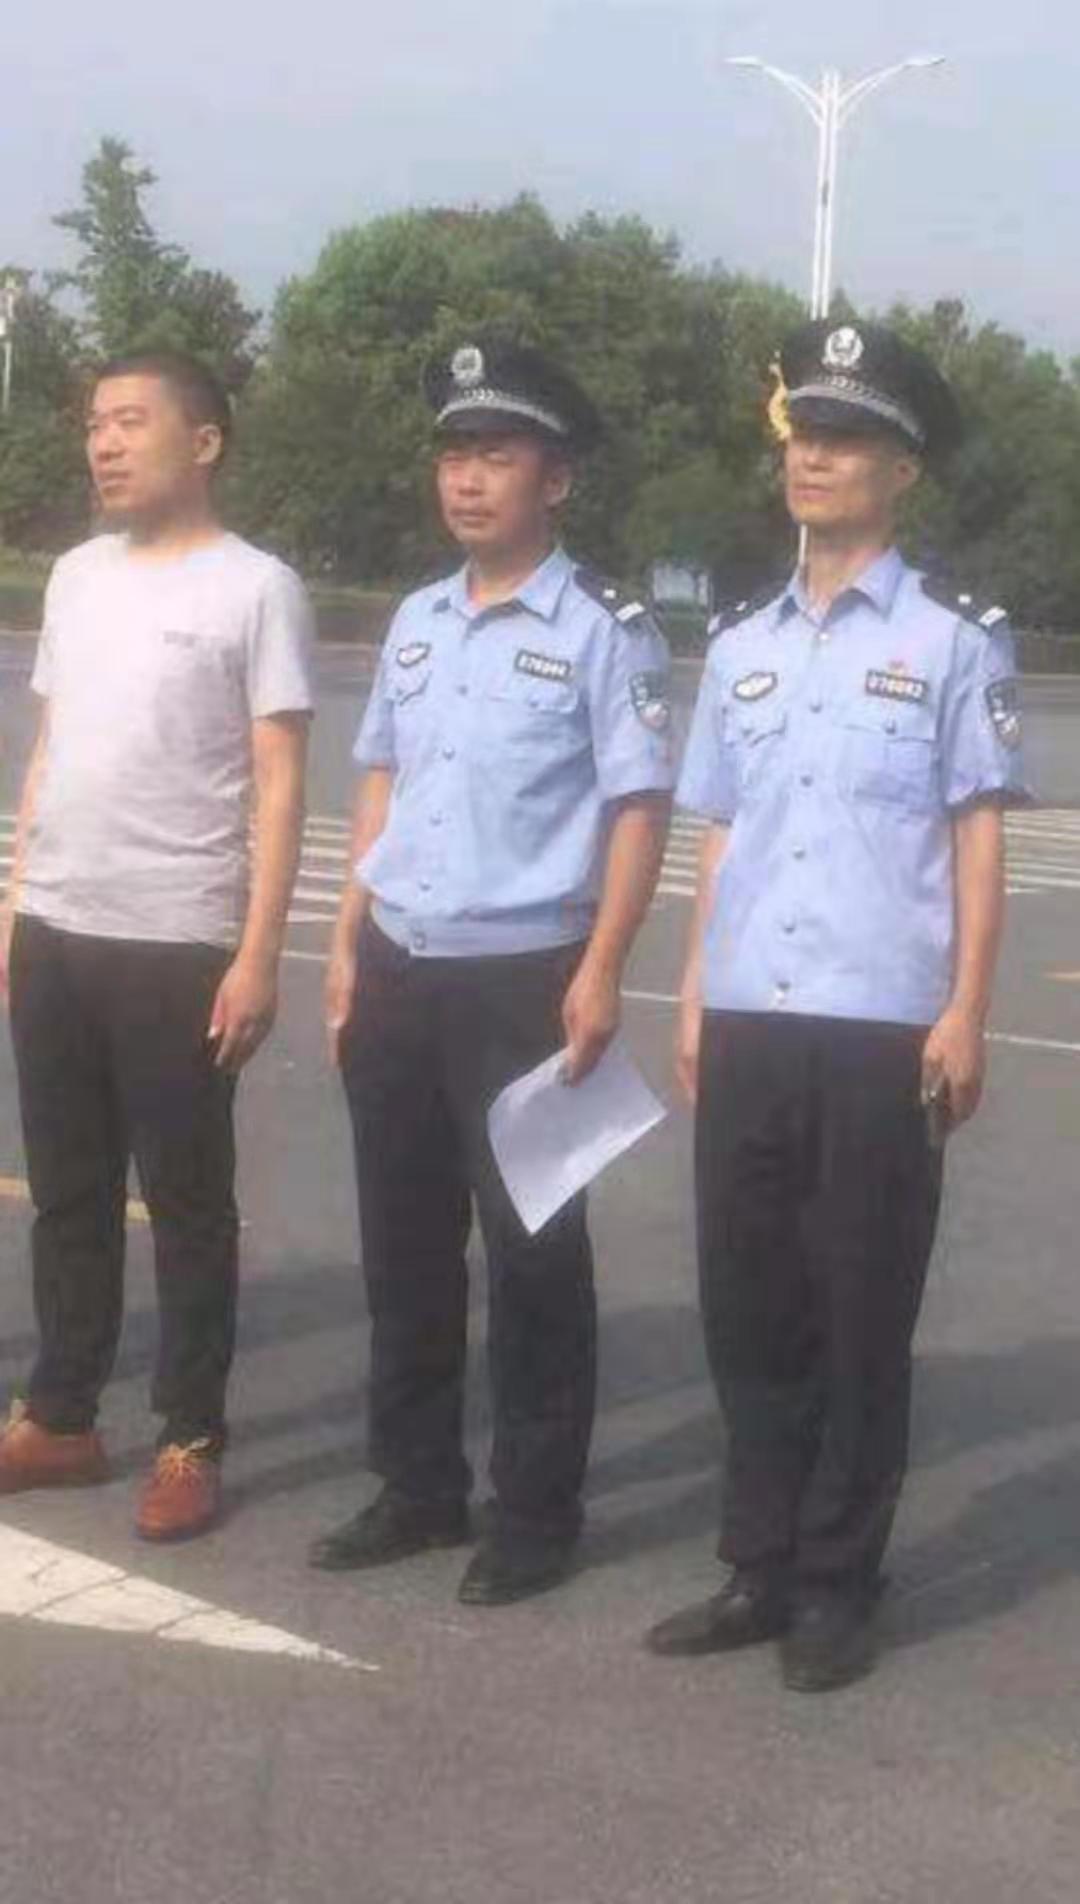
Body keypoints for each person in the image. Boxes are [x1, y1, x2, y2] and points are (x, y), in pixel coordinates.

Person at [647, 319, 1030, 1689]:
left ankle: (836, 1583)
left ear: (902, 470)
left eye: (848, 438)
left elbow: (976, 837)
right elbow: (722, 832)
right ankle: (756, 1564)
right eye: (804, 432)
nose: (814, 456)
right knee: (748, 1309)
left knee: (861, 1314)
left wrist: (966, 1007)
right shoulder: (742, 645)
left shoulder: (952, 642)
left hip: (881, 1027)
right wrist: (694, 992)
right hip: (752, 1013)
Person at [310, 340, 674, 1604]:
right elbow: (381, 778)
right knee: (403, 1245)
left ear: (553, 479)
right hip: (398, 966)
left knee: (534, 1259)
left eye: (496, 456)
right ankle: (416, 1483)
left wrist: (604, 966)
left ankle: (534, 1510)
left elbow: (638, 805)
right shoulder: (417, 620)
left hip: (527, 979)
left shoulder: (605, 630)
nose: (467, 479)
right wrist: (346, 938)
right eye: (454, 455)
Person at [0, 349, 314, 1541]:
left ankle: (190, 1434)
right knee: (69, 1192)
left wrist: (257, 950)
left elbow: (279, 782)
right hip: (58, 926)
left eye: (132, 421)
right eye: (96, 423)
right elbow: (51, 749)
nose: (105, 443)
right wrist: (17, 900)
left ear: (206, 441)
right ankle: (61, 1413)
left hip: (178, 937)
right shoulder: (77, 577)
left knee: (185, 1202)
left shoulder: (257, 588)